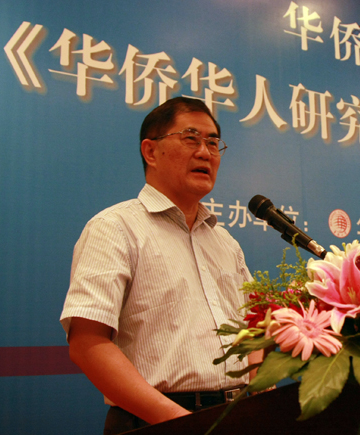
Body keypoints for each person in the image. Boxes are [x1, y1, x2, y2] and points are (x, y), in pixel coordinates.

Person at [60, 96, 260, 434]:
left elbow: (251, 329)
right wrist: (180, 422)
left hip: (235, 416)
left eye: (213, 143)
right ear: (150, 151)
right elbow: (87, 344)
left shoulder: (226, 242)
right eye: (191, 139)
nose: (205, 152)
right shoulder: (115, 227)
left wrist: (259, 394)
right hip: (153, 421)